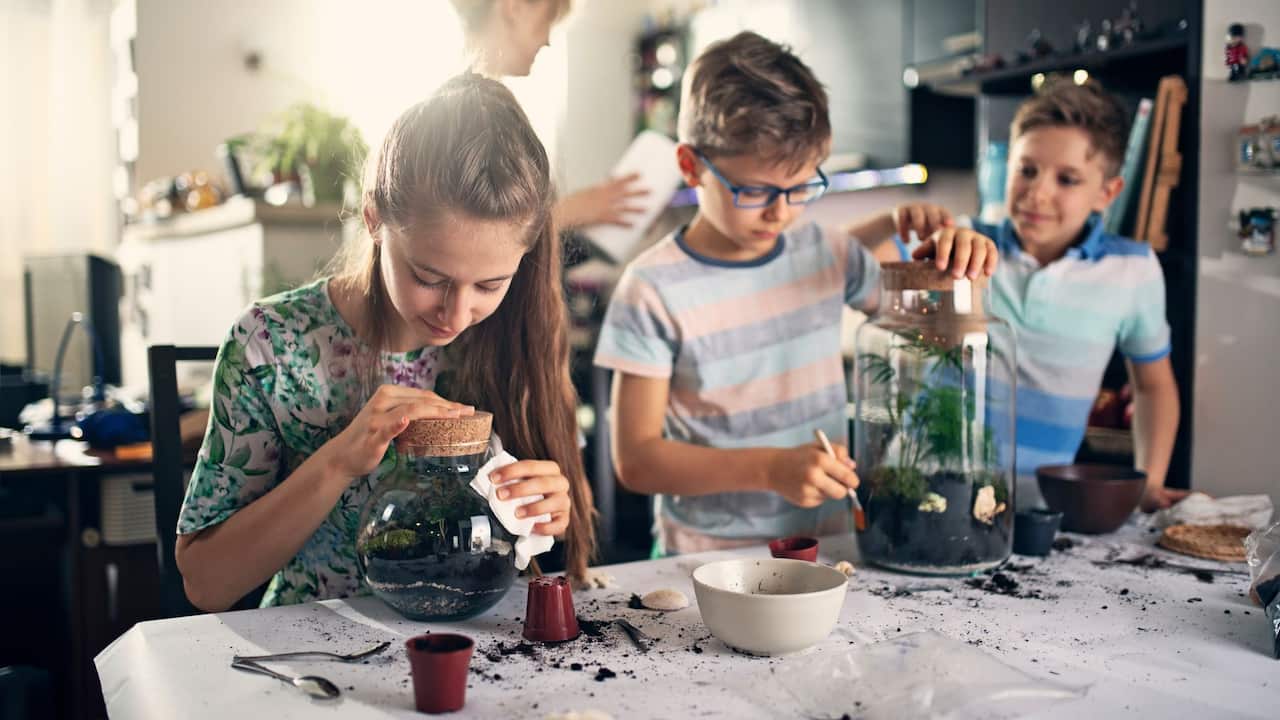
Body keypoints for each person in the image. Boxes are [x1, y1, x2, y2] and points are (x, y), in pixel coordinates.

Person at [175, 74, 596, 611]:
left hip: (476, 631)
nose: (456, 314)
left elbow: (539, 537)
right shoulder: (269, 345)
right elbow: (206, 583)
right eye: (429, 277)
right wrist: (337, 461)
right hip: (312, 636)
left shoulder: (515, 335)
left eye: (490, 285)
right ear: (373, 219)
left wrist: (546, 507)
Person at [593, 31, 998, 555]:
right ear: (692, 166)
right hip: (705, 554)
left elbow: (938, 335)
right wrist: (770, 468)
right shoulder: (651, 288)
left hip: (827, 544)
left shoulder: (826, 253)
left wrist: (958, 262)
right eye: (755, 191)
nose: (780, 212)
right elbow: (637, 461)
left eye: (800, 187)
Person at [935, 78, 1184, 512]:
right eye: (1026, 170)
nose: (1038, 193)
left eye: (1067, 179)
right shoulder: (963, 243)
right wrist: (898, 223)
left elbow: (1152, 386)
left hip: (1040, 509)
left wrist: (1151, 481)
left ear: (1107, 193)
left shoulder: (1133, 269)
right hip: (927, 491)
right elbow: (855, 270)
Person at [450, 0, 649, 232]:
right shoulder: (464, 115)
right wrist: (574, 210)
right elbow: (484, 235)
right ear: (515, 7)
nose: (547, 41)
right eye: (548, 20)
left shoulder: (484, 106)